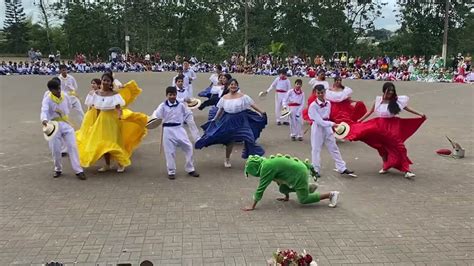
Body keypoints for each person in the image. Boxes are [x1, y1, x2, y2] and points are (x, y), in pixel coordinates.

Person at [348, 82, 426, 179]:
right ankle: (385, 166)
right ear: (384, 91)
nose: (390, 93)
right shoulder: (378, 100)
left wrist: (420, 114)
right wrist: (360, 120)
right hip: (378, 125)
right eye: (389, 91)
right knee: (381, 146)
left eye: (392, 91)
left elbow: (407, 108)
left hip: (392, 126)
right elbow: (370, 111)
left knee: (400, 147)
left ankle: (406, 170)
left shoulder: (396, 101)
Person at [195, 79, 266, 168]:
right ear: (228, 86)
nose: (233, 86)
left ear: (237, 86)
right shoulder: (224, 98)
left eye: (235, 84)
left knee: (250, 138)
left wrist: (262, 112)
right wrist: (215, 119)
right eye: (231, 84)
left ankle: (256, 159)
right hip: (229, 120)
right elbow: (220, 110)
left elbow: (252, 105)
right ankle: (227, 159)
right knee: (230, 141)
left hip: (241, 120)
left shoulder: (243, 96)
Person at [242, 154, 340, 211]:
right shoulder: (266, 164)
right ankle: (308, 188)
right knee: (283, 188)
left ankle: (331, 195)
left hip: (299, 173)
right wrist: (286, 197)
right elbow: (279, 180)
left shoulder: (266, 168)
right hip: (297, 171)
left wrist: (252, 206)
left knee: (303, 199)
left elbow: (261, 187)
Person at [77, 73, 129, 172]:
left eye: (108, 81)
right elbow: (95, 109)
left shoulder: (114, 94)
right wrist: (94, 121)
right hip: (101, 120)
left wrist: (119, 115)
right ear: (101, 81)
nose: (105, 82)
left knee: (114, 142)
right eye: (104, 80)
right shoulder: (96, 94)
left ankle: (121, 163)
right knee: (102, 143)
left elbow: (118, 108)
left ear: (110, 83)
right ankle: (107, 164)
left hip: (113, 120)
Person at [41, 78, 86, 180]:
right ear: (51, 90)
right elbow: (44, 110)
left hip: (66, 123)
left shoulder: (65, 95)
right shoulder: (47, 99)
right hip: (53, 125)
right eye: (56, 89)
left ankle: (78, 170)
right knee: (56, 150)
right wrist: (44, 120)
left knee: (73, 146)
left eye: (59, 88)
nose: (59, 90)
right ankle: (58, 168)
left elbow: (69, 105)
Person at [151, 86, 200, 179]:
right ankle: (171, 171)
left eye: (174, 94)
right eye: (170, 95)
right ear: (167, 95)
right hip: (168, 130)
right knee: (170, 152)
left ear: (176, 95)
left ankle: (190, 169)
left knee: (189, 147)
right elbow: (156, 116)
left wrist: (194, 129)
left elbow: (188, 114)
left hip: (179, 128)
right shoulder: (162, 106)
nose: (172, 96)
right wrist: (152, 121)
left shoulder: (181, 105)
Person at [308, 85, 354, 178]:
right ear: (315, 93)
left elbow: (327, 117)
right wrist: (332, 124)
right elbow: (319, 121)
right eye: (318, 93)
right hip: (318, 128)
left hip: (327, 127)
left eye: (322, 92)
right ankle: (315, 169)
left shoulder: (328, 103)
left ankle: (342, 167)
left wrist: (331, 125)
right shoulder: (313, 106)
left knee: (334, 147)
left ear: (325, 92)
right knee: (316, 149)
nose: (320, 94)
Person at [174, 75, 200, 142]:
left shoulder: (185, 89)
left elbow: (188, 99)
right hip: (178, 111)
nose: (180, 83)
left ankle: (197, 138)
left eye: (181, 81)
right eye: (179, 81)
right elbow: (175, 99)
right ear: (176, 82)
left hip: (186, 110)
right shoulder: (173, 90)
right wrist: (184, 99)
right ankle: (177, 139)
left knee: (192, 123)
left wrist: (193, 103)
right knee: (178, 127)